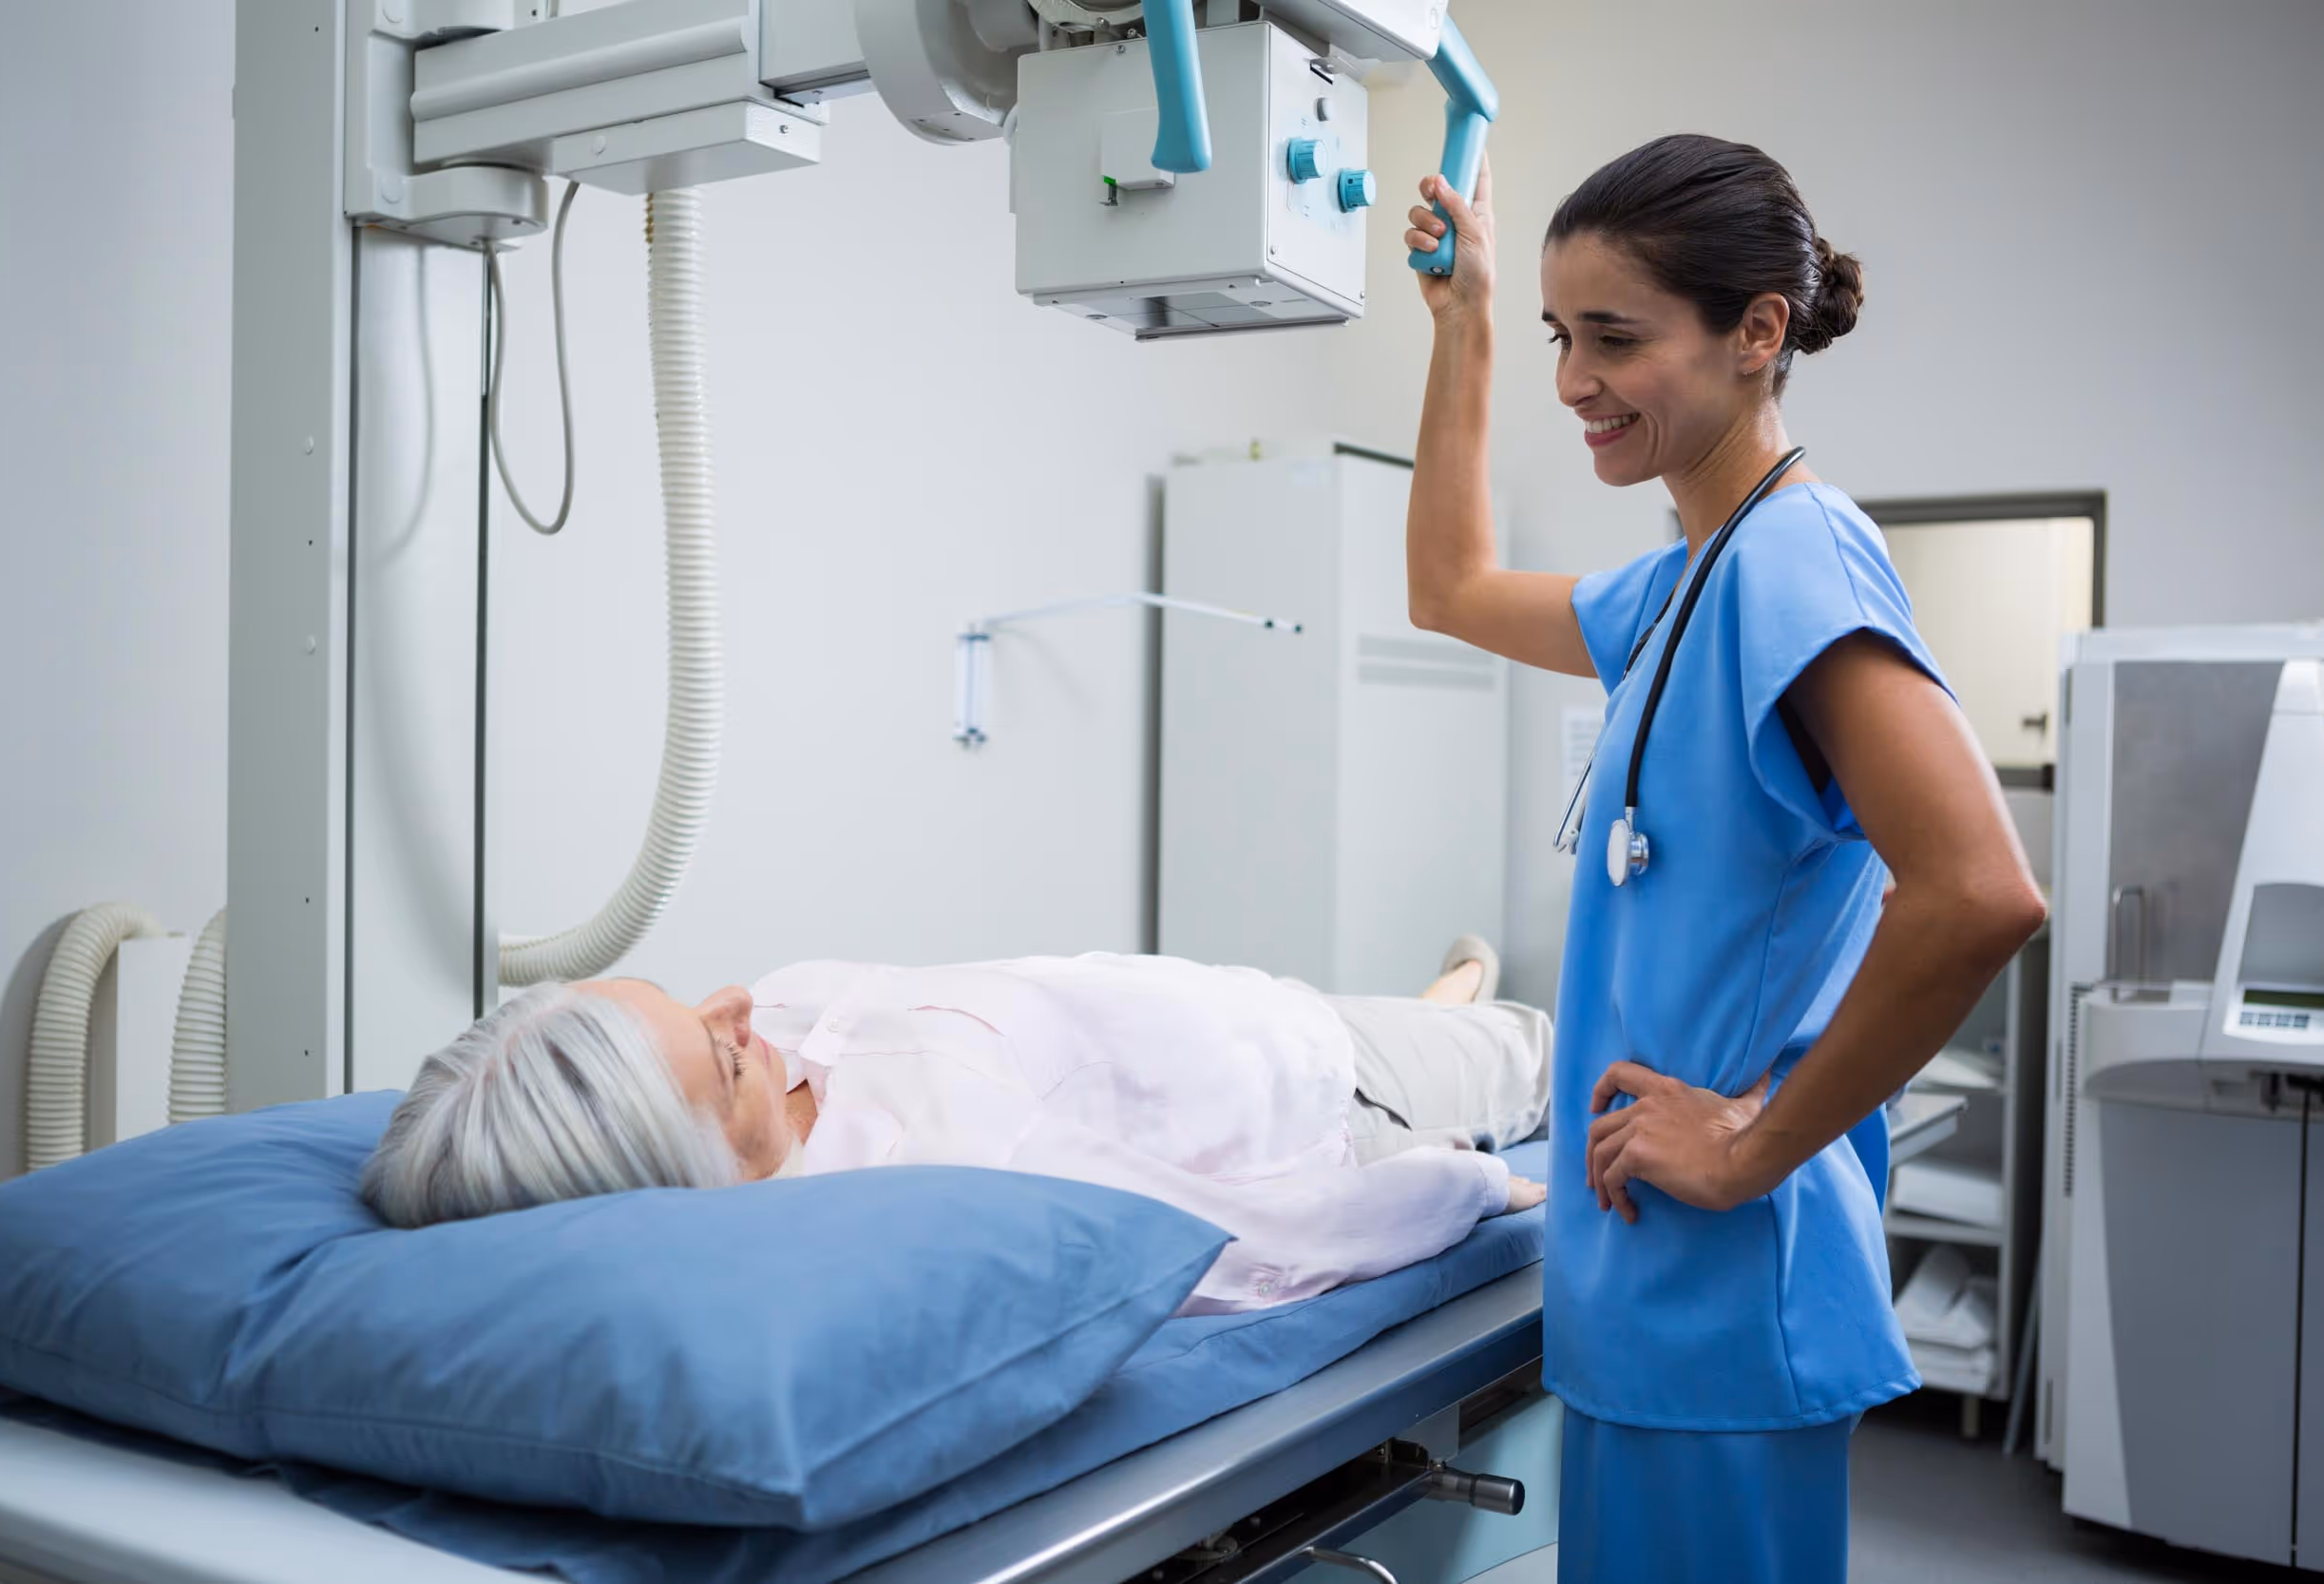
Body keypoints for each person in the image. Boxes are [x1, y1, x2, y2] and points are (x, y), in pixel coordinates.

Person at [1400, 135, 2046, 1582]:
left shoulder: (1793, 562)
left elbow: (1983, 890)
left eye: (1616, 339)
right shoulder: (1687, 576)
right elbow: (1446, 586)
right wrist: (1471, 326)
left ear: (1760, 332)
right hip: (1646, 1284)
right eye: (1566, 338)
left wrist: (1754, 1138)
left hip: (1717, 1281)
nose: (1577, 381)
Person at [361, 941, 1552, 1315]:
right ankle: (1462, 1009)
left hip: (1230, 1006)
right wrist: (1471, 1191)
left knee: (1436, 1003)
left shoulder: (758, 1060)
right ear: (696, 1170)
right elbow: (1243, 1240)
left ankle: (1446, 984)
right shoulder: (934, 1183)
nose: (736, 1007)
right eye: (722, 1055)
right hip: (1321, 1087)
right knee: (1555, 1044)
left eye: (692, 1001)